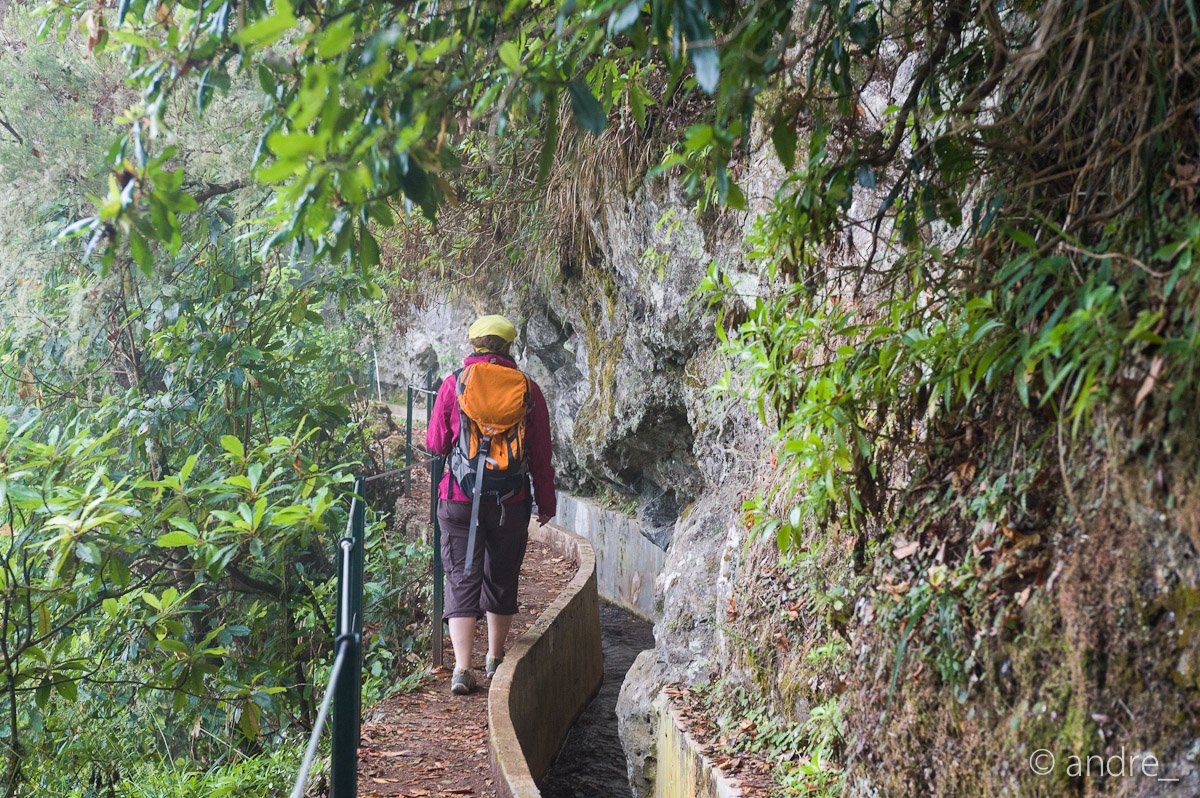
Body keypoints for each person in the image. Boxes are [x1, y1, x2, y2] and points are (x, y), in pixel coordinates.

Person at [426, 314, 556, 695]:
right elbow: (540, 454)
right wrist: (545, 503)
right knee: (501, 573)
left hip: (459, 497)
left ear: (474, 345)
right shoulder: (529, 390)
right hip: (509, 500)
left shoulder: (453, 384)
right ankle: (496, 658)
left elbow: (435, 444)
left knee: (461, 576)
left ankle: (463, 670)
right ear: (509, 348)